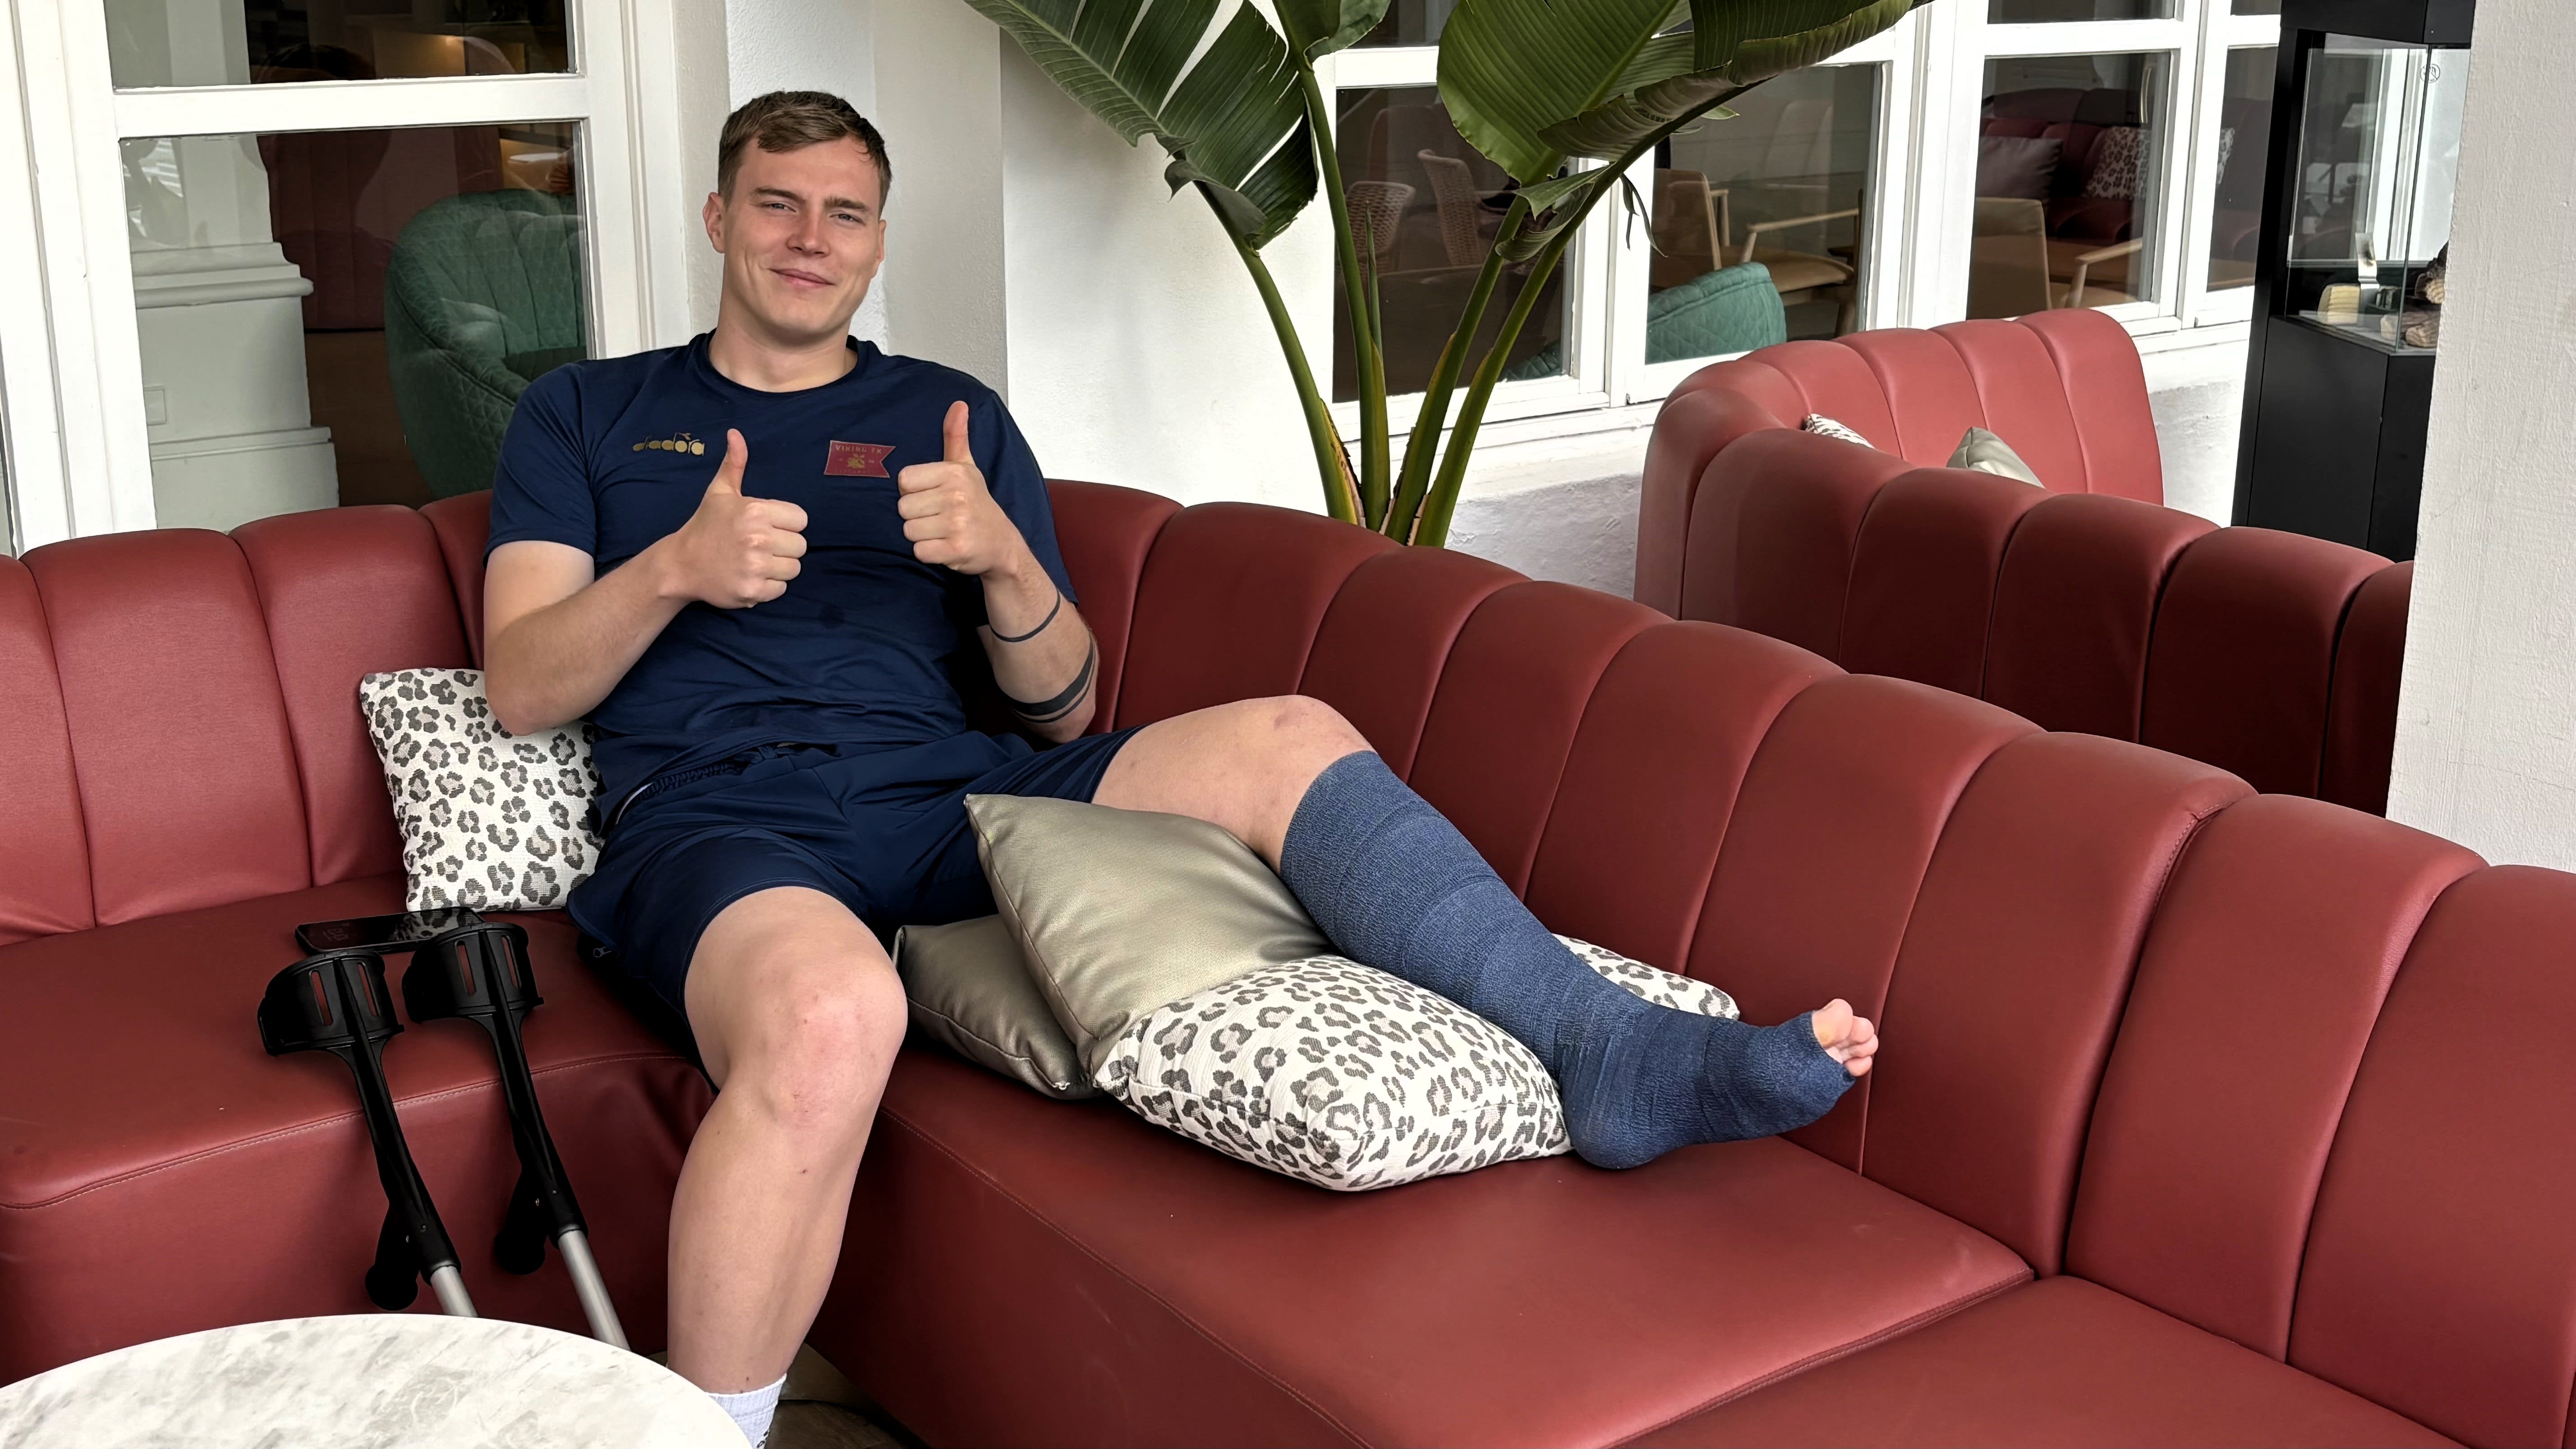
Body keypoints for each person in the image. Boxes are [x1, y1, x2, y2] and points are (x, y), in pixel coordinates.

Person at [481, 90, 1879, 1447]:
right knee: (833, 1017)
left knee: (1290, 733)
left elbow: (1064, 709)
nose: (809, 238)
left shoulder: (949, 417)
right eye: (777, 204)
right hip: (722, 822)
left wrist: (1006, 559)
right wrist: (673, 569)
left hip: (955, 801)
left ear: (879, 241)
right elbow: (521, 685)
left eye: (844, 213)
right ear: (719, 218)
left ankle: (1603, 1047)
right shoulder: (586, 413)